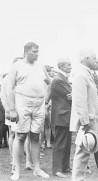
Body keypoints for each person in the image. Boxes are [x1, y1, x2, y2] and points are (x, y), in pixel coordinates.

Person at [6, 42, 51, 180]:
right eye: (34, 52)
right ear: (26, 52)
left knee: (36, 136)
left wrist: (46, 102)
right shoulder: (16, 66)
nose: (37, 54)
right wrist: (12, 109)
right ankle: (16, 170)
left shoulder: (40, 66)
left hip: (38, 104)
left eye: (38, 51)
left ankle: (36, 168)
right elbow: (9, 89)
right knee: (20, 136)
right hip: (22, 103)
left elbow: (50, 83)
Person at [70, 50, 98, 181]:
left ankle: (79, 178)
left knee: (85, 152)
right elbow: (79, 101)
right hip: (87, 120)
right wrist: (85, 122)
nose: (97, 60)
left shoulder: (86, 74)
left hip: (90, 119)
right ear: (86, 58)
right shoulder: (81, 75)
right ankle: (77, 178)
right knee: (82, 152)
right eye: (94, 58)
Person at [50, 58, 72, 178]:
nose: (70, 67)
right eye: (68, 65)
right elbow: (69, 94)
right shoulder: (58, 79)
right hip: (61, 116)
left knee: (67, 143)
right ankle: (57, 169)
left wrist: (73, 94)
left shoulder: (63, 79)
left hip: (65, 116)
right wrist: (74, 94)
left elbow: (72, 94)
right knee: (60, 143)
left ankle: (65, 167)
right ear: (62, 66)